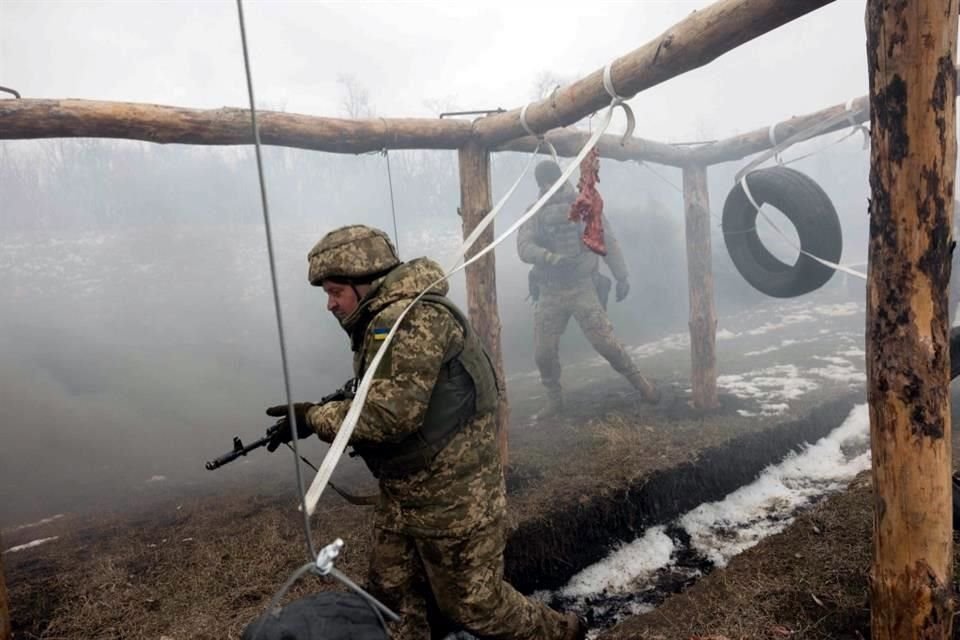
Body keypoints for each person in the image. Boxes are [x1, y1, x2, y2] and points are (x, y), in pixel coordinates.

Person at [266, 224, 584, 640]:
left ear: (367, 283)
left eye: (335, 292)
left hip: (454, 499)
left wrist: (313, 418)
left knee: (475, 606)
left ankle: (564, 632)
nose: (330, 304)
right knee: (392, 598)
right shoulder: (386, 319)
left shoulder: (415, 321)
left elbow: (387, 417)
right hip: (406, 495)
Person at [517, 160, 660, 418]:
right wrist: (550, 257)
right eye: (543, 183)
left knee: (606, 344)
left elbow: (606, 238)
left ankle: (643, 385)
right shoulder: (534, 212)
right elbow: (524, 248)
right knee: (543, 353)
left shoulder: (585, 205)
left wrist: (621, 275)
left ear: (559, 179)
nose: (548, 186)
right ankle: (554, 399)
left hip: (582, 286)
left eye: (551, 180)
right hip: (550, 290)